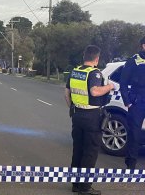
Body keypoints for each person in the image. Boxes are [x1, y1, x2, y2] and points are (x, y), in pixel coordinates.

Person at [64, 45, 116, 195]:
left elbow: (66, 94)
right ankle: (85, 187)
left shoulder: (75, 71)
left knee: (78, 150)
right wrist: (109, 86)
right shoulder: (95, 73)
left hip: (77, 115)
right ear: (97, 59)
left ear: (84, 57)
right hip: (92, 116)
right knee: (90, 152)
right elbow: (95, 91)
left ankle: (75, 184)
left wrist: (74, 108)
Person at [120, 36, 145, 170]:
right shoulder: (133, 61)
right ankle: (131, 165)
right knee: (135, 134)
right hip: (137, 100)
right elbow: (123, 82)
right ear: (143, 46)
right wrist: (127, 102)